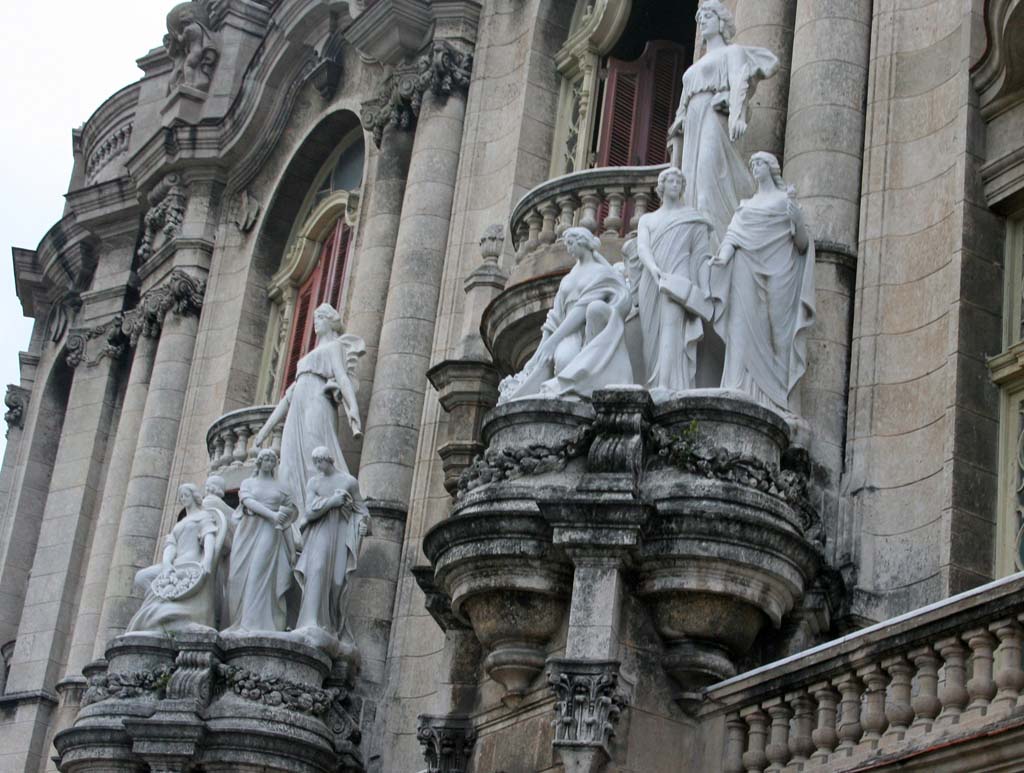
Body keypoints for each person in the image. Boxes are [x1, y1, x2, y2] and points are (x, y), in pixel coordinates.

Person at [710, 152, 816, 414]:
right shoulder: (745, 205)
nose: (755, 168)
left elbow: (801, 244)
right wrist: (721, 259)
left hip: (782, 270)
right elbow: (732, 237)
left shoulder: (785, 201)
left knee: (780, 333)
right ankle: (739, 387)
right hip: (745, 266)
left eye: (759, 163)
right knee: (740, 326)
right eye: (752, 164)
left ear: (771, 168)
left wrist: (797, 221)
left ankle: (781, 401)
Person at [667, 0, 779, 241]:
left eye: (708, 16)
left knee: (709, 181)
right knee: (691, 186)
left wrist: (736, 115)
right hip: (693, 123)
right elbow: (683, 106)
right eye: (700, 17)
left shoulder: (732, 52)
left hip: (713, 117)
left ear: (721, 21)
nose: (702, 21)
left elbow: (740, 82)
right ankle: (697, 242)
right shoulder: (696, 67)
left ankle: (716, 245)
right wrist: (678, 123)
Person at [253, 303, 364, 518]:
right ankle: (295, 520)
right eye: (315, 318)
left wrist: (354, 408)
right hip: (298, 407)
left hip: (317, 403)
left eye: (320, 317)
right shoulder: (308, 359)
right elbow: (287, 397)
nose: (315, 322)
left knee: (315, 456)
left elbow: (341, 377)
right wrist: (264, 431)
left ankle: (321, 513)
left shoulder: (334, 347)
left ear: (331, 321)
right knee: (288, 463)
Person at [498, 226, 634, 402]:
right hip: (566, 334)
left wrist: (553, 341)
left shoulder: (601, 273)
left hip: (587, 333)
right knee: (562, 360)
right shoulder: (569, 278)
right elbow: (554, 317)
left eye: (570, 243)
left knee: (571, 364)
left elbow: (581, 310)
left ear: (582, 242)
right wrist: (539, 352)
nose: (568, 248)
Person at [630, 167, 715, 394]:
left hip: (678, 279)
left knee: (671, 328)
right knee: (651, 341)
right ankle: (656, 384)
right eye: (671, 181)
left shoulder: (692, 219)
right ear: (662, 186)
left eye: (679, 181)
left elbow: (701, 257)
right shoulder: (647, 220)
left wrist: (705, 289)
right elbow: (642, 247)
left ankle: (667, 386)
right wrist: (654, 269)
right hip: (652, 280)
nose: (676, 185)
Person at [293, 447, 371, 655]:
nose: (318, 466)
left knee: (337, 580)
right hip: (320, 532)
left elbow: (362, 509)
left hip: (342, 533)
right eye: (315, 462)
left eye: (321, 461)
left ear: (329, 460)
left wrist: (365, 525)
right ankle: (311, 621)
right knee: (316, 570)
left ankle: (332, 626)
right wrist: (331, 503)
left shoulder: (348, 481)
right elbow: (309, 510)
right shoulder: (314, 482)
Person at [126, 483, 227, 635]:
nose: (183, 499)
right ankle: (164, 602)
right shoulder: (180, 524)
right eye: (181, 497)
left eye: (186, 495)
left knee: (160, 592)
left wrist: (207, 560)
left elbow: (209, 537)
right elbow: (170, 546)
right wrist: (166, 564)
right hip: (174, 564)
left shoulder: (203, 516)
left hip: (191, 564)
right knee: (141, 576)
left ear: (194, 496)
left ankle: (169, 611)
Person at [224, 449, 296, 634]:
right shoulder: (248, 482)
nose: (269, 463)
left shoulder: (282, 487)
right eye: (266, 459)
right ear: (259, 462)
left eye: (272, 460)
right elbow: (248, 502)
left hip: (269, 533)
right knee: (236, 577)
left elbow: (288, 517)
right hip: (247, 532)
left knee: (258, 574)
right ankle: (238, 621)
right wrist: (272, 514)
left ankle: (252, 624)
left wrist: (292, 550)